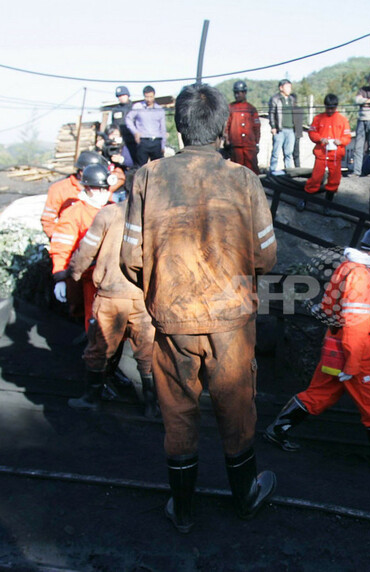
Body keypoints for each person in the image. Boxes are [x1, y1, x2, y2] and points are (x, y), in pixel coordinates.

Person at [120, 83, 278, 532]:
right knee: (237, 407)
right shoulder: (244, 180)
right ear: (224, 127)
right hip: (232, 321)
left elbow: (131, 257)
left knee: (178, 412)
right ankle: (245, 497)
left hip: (172, 320)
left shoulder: (148, 177)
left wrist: (164, 293)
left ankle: (184, 509)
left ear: (179, 127)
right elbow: (266, 257)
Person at [263, 226, 370, 473]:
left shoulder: (347, 267)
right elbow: (357, 323)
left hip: (335, 344)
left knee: (320, 393)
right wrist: (353, 364)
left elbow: (328, 307)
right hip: (356, 351)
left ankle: (277, 430)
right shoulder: (363, 276)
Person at [65, 191, 157, 417]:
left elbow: (86, 250)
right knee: (148, 351)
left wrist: (73, 273)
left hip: (111, 295)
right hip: (143, 297)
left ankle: (91, 399)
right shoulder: (158, 216)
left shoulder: (109, 213)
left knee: (99, 349)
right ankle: (152, 406)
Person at [50, 163, 113, 332]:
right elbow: (62, 247)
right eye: (98, 189)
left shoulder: (113, 208)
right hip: (90, 276)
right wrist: (60, 277)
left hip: (115, 275)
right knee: (95, 321)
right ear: (87, 188)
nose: (103, 193)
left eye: (105, 189)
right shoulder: (74, 214)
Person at [301, 94, 352, 212]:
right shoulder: (318, 118)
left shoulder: (342, 120)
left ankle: (327, 204)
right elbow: (312, 132)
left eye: (332, 108)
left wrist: (341, 141)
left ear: (336, 107)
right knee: (315, 178)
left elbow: (347, 137)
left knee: (334, 180)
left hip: (335, 155)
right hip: (321, 153)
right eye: (328, 108)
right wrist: (320, 139)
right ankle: (304, 200)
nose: (330, 111)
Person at [41, 151, 105, 239]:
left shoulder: (102, 190)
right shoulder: (59, 189)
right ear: (82, 171)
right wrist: (59, 239)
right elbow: (48, 220)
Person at [125, 85, 167, 167]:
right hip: (143, 141)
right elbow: (128, 119)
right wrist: (135, 132)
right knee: (141, 167)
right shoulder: (138, 107)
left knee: (158, 167)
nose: (149, 99)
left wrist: (163, 145)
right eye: (147, 97)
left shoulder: (160, 110)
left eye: (151, 97)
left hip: (156, 141)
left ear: (154, 96)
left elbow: (163, 129)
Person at [225, 80, 261, 174]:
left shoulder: (251, 108)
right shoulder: (230, 108)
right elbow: (226, 125)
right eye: (235, 93)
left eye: (239, 93)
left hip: (249, 145)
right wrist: (227, 140)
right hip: (236, 145)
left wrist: (256, 142)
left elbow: (256, 127)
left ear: (244, 93)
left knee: (252, 170)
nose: (237, 95)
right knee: (236, 170)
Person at [268, 79, 297, 175]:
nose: (289, 89)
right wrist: (273, 126)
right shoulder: (275, 99)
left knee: (289, 153)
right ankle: (272, 171)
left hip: (291, 129)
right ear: (281, 88)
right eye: (287, 87)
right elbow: (271, 113)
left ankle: (289, 172)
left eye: (290, 87)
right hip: (279, 129)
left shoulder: (292, 99)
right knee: (276, 152)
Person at [110, 86, 137, 162]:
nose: (121, 98)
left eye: (123, 95)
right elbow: (113, 126)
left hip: (133, 141)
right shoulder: (115, 110)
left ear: (127, 95)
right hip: (121, 142)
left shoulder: (135, 108)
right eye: (119, 96)